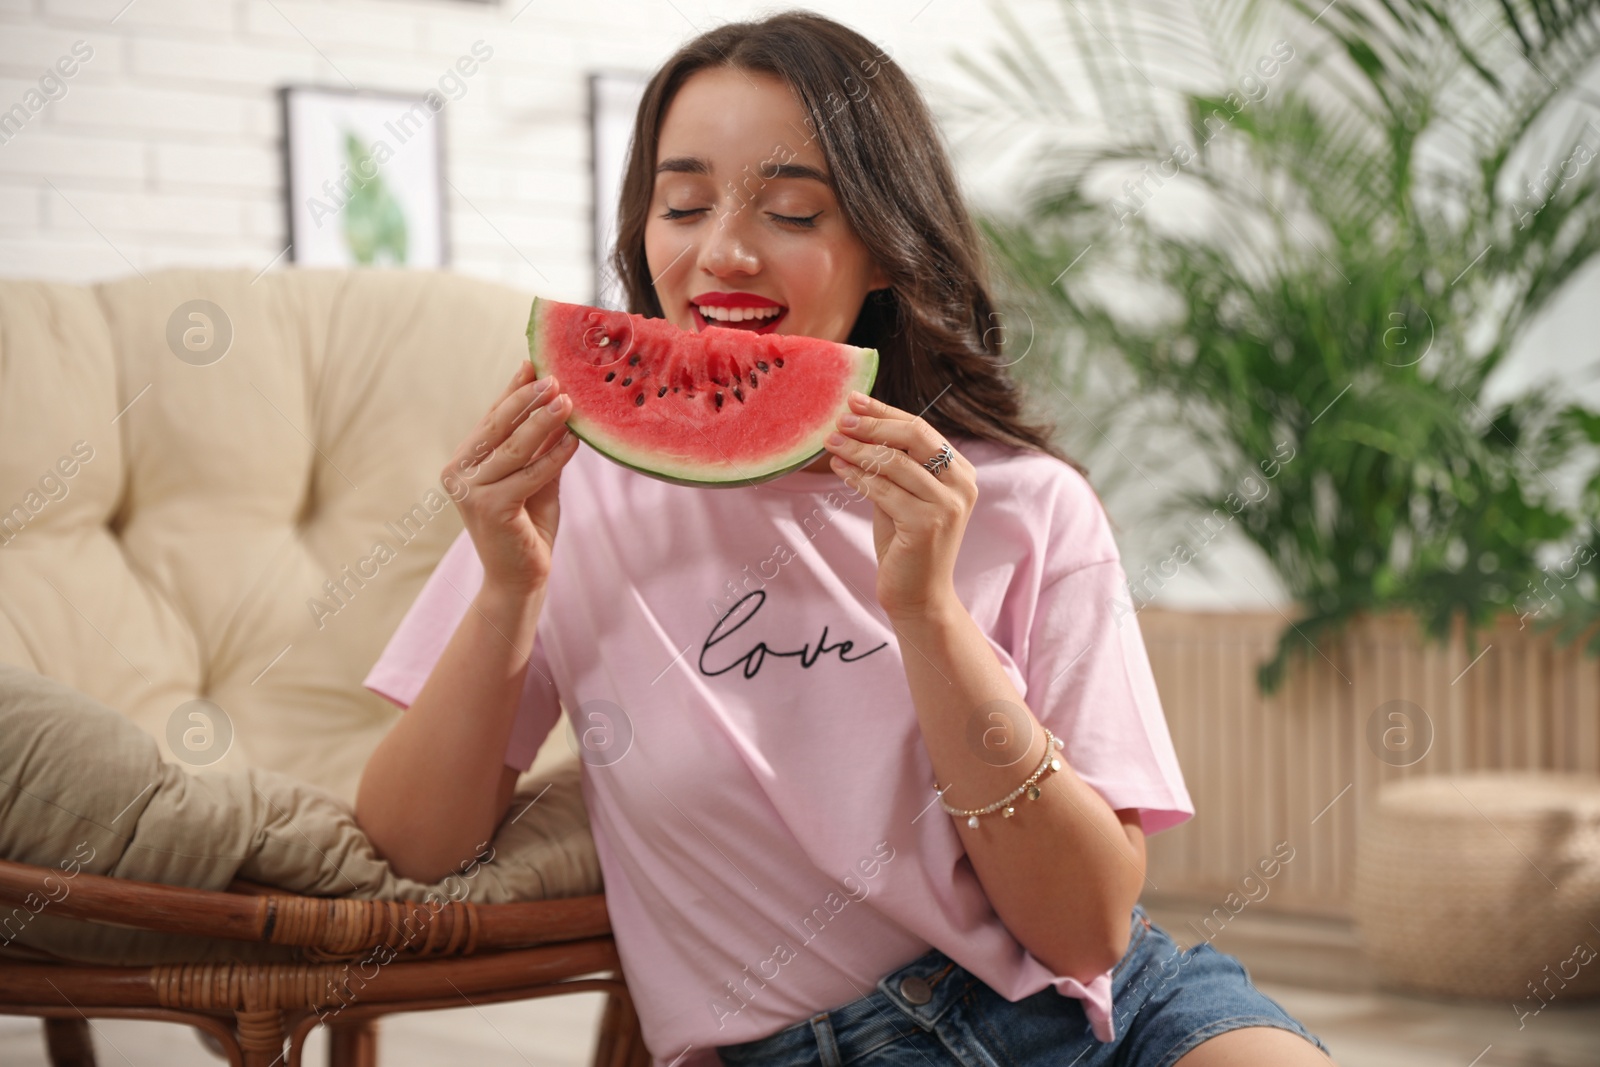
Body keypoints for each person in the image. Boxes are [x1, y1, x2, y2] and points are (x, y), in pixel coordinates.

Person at [354, 11, 1335, 1067]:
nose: (721, 249)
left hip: (1110, 1013)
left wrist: (927, 613)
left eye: (789, 210)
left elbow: (1087, 928)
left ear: (881, 246)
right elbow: (415, 843)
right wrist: (507, 588)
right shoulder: (573, 499)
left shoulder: (1024, 502)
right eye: (680, 203)